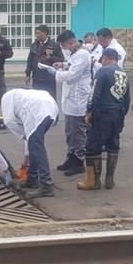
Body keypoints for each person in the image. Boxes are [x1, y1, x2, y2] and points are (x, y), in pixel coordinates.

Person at [79, 48, 130, 191]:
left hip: (102, 114)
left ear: (106, 58)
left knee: (93, 147)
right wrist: (122, 114)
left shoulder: (103, 71)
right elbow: (127, 98)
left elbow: (94, 92)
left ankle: (93, 181)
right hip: (117, 114)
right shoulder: (123, 73)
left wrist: (89, 111)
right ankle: (109, 179)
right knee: (113, 146)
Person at [1, 88, 59, 199]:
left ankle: (46, 185)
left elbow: (9, 122)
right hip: (51, 107)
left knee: (37, 147)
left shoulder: (7, 99)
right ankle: (33, 178)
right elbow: (29, 138)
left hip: (38, 110)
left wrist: (23, 136)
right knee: (34, 145)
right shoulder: (19, 97)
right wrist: (27, 145)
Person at [51, 30, 93, 177]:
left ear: (70, 42)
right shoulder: (75, 53)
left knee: (78, 133)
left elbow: (72, 75)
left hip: (78, 99)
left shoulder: (83, 54)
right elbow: (70, 66)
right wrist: (62, 65)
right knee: (69, 132)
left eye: (63, 45)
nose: (63, 48)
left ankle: (79, 162)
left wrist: (55, 73)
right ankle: (71, 157)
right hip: (71, 98)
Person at [26, 25, 63, 99]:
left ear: (45, 33)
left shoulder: (54, 45)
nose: (37, 35)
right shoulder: (34, 45)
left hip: (49, 78)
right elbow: (30, 60)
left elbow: (61, 59)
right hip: (37, 78)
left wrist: (50, 58)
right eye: (36, 33)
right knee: (37, 99)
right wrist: (28, 74)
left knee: (50, 99)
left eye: (38, 33)